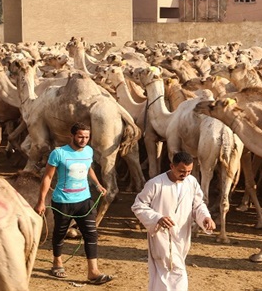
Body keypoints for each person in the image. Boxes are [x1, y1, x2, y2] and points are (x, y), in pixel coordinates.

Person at [34, 122, 114, 285]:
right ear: (72, 136)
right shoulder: (59, 153)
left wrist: (98, 184)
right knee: (60, 232)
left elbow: (88, 168)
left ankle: (93, 271)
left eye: (87, 137)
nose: (84, 140)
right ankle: (57, 262)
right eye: (80, 136)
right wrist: (41, 201)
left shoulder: (89, 151)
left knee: (91, 234)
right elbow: (48, 177)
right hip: (63, 201)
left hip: (84, 200)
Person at [131, 151, 216, 291]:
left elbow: (198, 204)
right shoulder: (155, 184)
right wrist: (157, 218)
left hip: (182, 234)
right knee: (175, 270)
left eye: (189, 171)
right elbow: (138, 205)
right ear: (172, 166)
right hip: (161, 235)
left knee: (164, 273)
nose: (185, 174)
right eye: (182, 171)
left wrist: (205, 217)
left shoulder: (191, 182)